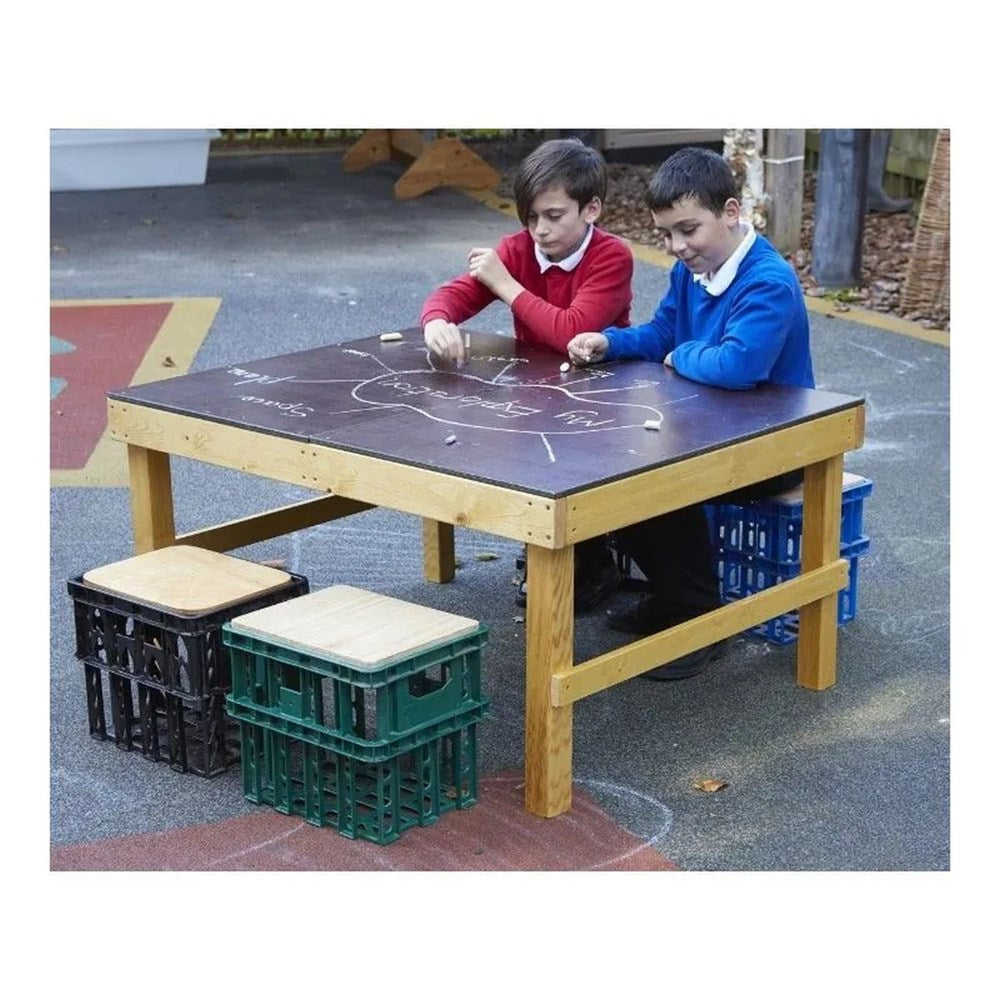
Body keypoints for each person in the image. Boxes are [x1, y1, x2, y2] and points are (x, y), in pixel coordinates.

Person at [567, 146, 814, 680]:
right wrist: (610, 342)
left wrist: (680, 355)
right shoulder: (694, 270)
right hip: (714, 427)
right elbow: (662, 332)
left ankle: (698, 616)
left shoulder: (766, 281)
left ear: (730, 212)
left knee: (657, 482)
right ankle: (672, 596)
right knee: (610, 460)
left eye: (688, 230)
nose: (678, 247)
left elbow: (737, 365)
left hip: (777, 444)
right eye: (667, 234)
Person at [421, 137, 634, 612]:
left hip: (602, 388)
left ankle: (595, 557)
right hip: (538, 386)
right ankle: (545, 553)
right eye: (531, 217)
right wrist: (437, 320)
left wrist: (504, 283)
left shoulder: (612, 256)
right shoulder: (517, 250)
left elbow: (573, 331)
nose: (539, 230)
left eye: (554, 216)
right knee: (523, 459)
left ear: (591, 209)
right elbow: (452, 295)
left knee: (580, 471)